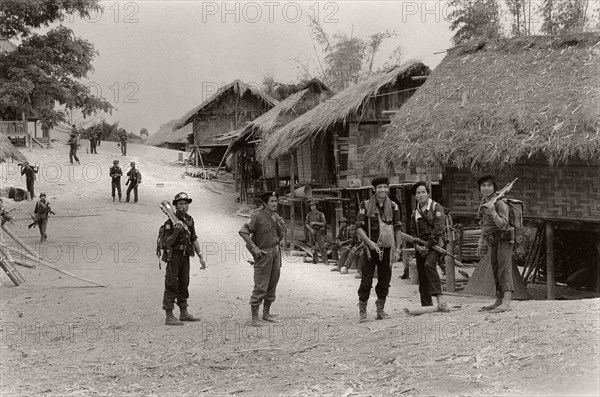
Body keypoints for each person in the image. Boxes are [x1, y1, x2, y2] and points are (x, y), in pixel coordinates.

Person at [355, 176, 403, 323]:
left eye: (385, 187)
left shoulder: (394, 206)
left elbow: (398, 229)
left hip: (387, 249)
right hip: (371, 249)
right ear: (374, 190)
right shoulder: (366, 205)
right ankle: (362, 311)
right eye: (380, 187)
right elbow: (358, 228)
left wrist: (398, 250)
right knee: (366, 281)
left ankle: (380, 310)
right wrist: (370, 243)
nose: (383, 190)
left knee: (384, 281)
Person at [239, 192, 286, 327]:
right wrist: (254, 247)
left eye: (276, 201)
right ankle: (255, 317)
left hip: (275, 253)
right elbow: (243, 231)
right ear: (265, 203)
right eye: (271, 201)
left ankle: (266, 313)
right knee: (261, 285)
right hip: (263, 255)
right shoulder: (256, 217)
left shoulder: (276, 217)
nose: (274, 204)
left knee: (272, 284)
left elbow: (280, 235)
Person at [161, 192, 206, 326]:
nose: (184, 206)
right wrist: (175, 232)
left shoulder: (190, 220)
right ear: (175, 206)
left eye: (186, 203)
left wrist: (201, 256)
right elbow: (166, 243)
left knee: (184, 283)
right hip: (173, 256)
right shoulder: (170, 222)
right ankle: (169, 315)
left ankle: (183, 312)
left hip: (185, 255)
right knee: (171, 283)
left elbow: (193, 238)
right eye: (181, 203)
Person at [409, 181, 449, 311]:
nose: (421, 195)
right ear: (415, 196)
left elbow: (438, 229)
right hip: (421, 246)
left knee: (429, 265)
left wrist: (427, 245)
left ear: (427, 193)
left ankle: (439, 297)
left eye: (423, 192)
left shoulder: (436, 208)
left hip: (435, 244)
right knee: (422, 273)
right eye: (418, 193)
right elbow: (413, 231)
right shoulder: (415, 212)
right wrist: (417, 246)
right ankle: (426, 305)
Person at [477, 175, 513, 313]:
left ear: (494, 187)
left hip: (503, 240)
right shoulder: (485, 202)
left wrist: (493, 212)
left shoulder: (499, 203)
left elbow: (503, 224)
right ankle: (499, 301)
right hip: (492, 241)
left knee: (504, 270)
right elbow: (484, 224)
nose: (486, 188)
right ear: (480, 189)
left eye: (489, 185)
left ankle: (507, 302)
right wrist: (481, 241)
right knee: (496, 270)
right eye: (483, 185)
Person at [305, 200, 329, 265]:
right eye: (311, 206)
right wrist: (310, 229)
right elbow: (306, 224)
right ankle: (315, 259)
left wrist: (316, 223)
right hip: (311, 231)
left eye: (313, 205)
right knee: (313, 246)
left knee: (322, 246)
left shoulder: (321, 214)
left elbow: (324, 223)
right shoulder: (309, 215)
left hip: (319, 231)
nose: (312, 207)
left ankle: (325, 260)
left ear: (316, 206)